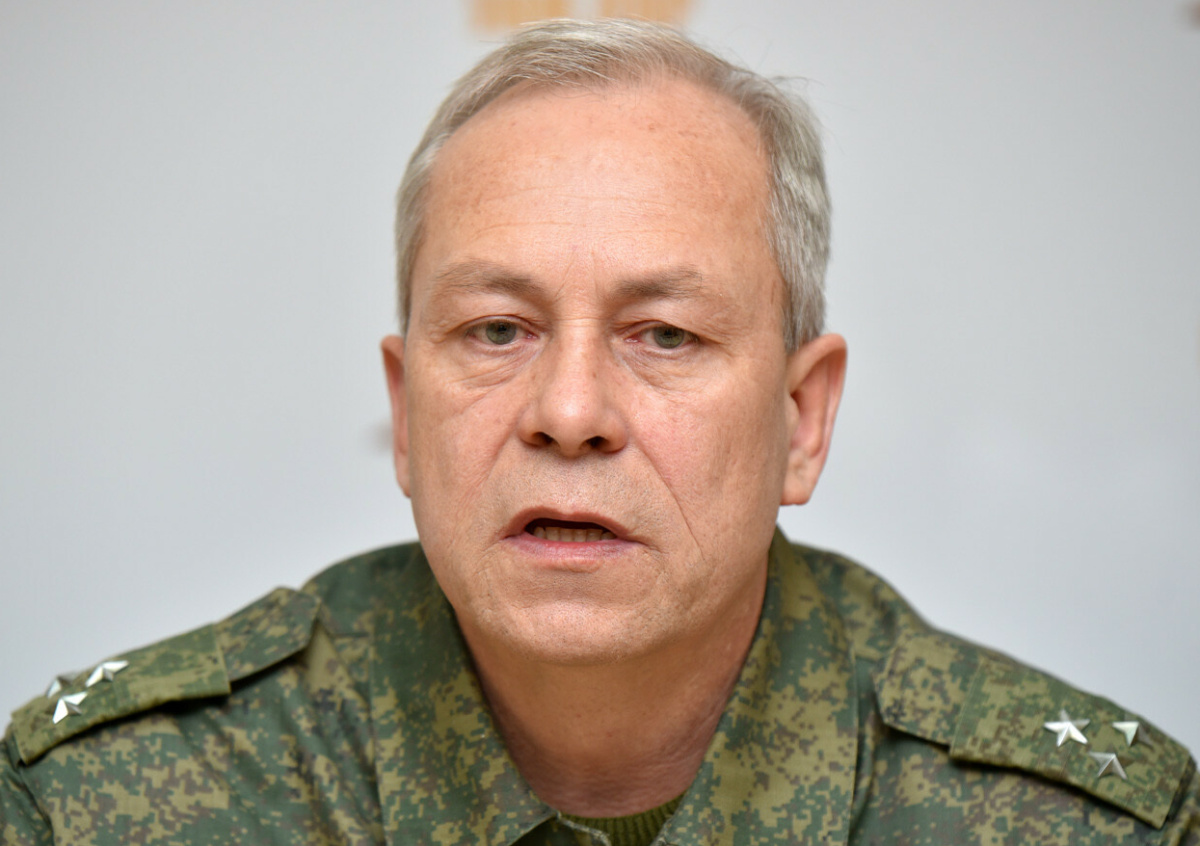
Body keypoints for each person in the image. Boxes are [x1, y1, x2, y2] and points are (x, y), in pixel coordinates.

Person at [2, 18, 1196, 846]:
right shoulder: (99, 804)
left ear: (800, 420)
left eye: (664, 335)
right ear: (407, 412)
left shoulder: (1080, 826)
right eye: (496, 330)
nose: (568, 415)